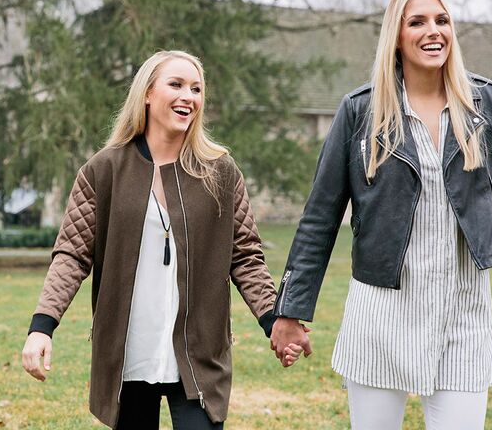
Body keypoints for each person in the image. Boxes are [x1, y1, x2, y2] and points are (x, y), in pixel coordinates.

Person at [269, 0, 492, 430]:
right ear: (396, 37)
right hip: (381, 315)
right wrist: (290, 311)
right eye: (417, 21)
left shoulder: (487, 105)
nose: (433, 30)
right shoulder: (359, 111)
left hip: (463, 314)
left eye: (442, 20)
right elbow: (319, 220)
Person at [21, 50, 296, 429]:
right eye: (176, 84)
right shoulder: (105, 170)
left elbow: (246, 256)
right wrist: (42, 326)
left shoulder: (220, 171)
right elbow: (71, 254)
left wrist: (273, 320)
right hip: (128, 352)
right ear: (148, 93)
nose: (189, 96)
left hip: (197, 353)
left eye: (197, 89)